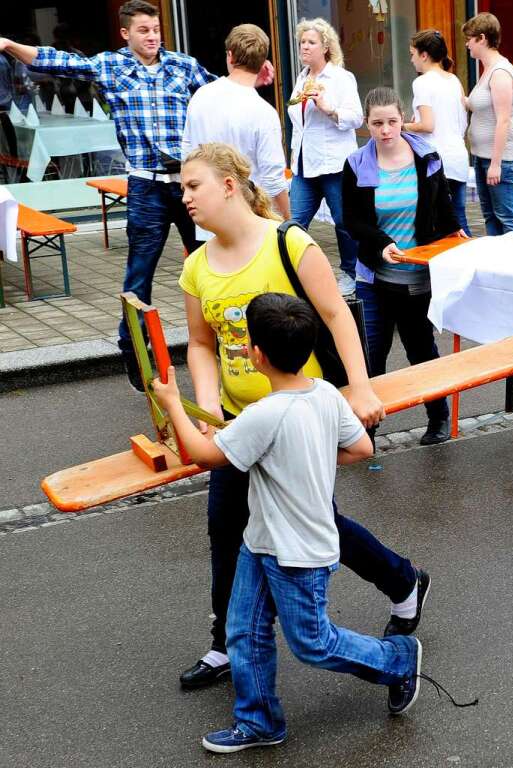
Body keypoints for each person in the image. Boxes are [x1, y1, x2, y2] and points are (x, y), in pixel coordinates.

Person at [175, 142, 428, 690]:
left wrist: (358, 389)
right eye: (181, 188)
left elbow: (337, 314)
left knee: (319, 525)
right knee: (228, 529)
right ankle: (225, 641)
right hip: (240, 422)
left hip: (296, 418)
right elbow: (199, 343)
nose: (185, 197)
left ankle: (404, 579)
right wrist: (207, 404)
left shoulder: (288, 241)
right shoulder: (197, 265)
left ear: (227, 185)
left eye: (193, 185)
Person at [152, 293, 422, 754]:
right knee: (244, 630)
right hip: (261, 542)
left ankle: (398, 659)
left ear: (256, 355)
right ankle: (258, 722)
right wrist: (305, 458)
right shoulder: (322, 392)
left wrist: (172, 402)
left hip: (297, 554)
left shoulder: (262, 416)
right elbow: (362, 449)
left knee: (313, 643)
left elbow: (202, 456)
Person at [0, 1, 220, 391]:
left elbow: (221, 93)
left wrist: (255, 77)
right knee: (139, 275)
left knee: (211, 267)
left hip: (188, 183)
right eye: (144, 31)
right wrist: (8, 45)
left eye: (155, 29)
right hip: (146, 185)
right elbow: (55, 61)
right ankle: (135, 353)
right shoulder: (111, 66)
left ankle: (222, 347)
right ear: (126, 34)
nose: (152, 37)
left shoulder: (182, 65)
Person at [343, 88, 464, 446]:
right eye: (377, 123)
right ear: (367, 124)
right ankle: (366, 431)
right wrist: (382, 245)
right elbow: (352, 221)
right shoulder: (356, 164)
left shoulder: (426, 156)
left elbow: (442, 206)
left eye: (392, 122)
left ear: (402, 119)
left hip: (417, 278)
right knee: (371, 356)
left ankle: (438, 417)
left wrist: (455, 232)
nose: (385, 130)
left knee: (421, 351)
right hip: (375, 278)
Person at [182, 24, 289, 227]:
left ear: (230, 56)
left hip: (206, 213)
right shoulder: (264, 112)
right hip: (247, 218)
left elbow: (187, 151)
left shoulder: (201, 96)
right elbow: (273, 178)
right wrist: (288, 219)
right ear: (262, 62)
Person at [287, 17, 362, 296]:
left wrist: (329, 109)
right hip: (304, 165)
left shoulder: (342, 78)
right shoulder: (301, 78)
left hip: (334, 164)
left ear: (325, 47)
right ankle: (295, 274)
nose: (304, 47)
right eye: (301, 42)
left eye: (310, 42)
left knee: (344, 223)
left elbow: (356, 117)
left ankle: (351, 274)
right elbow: (299, 123)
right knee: (294, 223)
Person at [463, 12, 513, 241]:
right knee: (491, 215)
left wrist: (496, 164)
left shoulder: (500, 72)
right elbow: (474, 105)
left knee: (507, 216)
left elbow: (503, 119)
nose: (467, 44)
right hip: (483, 156)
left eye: (469, 39)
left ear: (482, 38)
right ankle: (497, 267)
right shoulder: (486, 71)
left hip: (501, 158)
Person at [404, 29, 471, 235]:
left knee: (440, 222)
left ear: (424, 55)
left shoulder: (422, 82)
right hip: (458, 156)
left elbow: (427, 125)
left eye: (412, 54)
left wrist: (402, 126)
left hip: (436, 160)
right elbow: (461, 123)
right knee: (457, 217)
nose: (412, 60)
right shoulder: (453, 80)